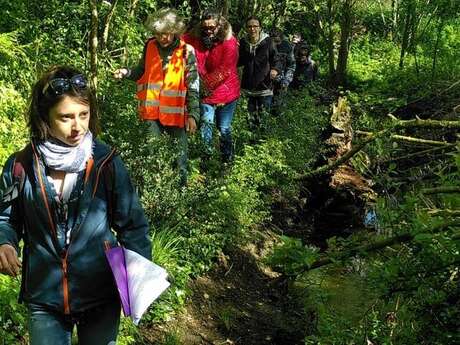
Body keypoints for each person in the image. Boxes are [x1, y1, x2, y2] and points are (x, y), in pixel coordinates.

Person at [0, 65, 152, 345]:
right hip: (45, 297)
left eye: (84, 115)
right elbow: (5, 218)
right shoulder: (20, 166)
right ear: (45, 117)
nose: (77, 127)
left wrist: (138, 281)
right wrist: (5, 242)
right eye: (66, 117)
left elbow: (133, 224)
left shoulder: (106, 163)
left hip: (101, 295)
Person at [113, 8, 200, 186]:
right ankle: (153, 192)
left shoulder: (187, 51)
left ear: (175, 30)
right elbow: (141, 72)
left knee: (179, 159)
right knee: (152, 156)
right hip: (151, 113)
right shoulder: (150, 45)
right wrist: (126, 72)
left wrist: (193, 115)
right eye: (159, 34)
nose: (163, 38)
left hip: (177, 115)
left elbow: (193, 84)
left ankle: (180, 195)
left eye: (167, 34)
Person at [182, 10, 240, 164]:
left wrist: (201, 88)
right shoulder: (195, 37)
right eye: (205, 27)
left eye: (211, 27)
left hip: (226, 92)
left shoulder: (229, 42)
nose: (208, 30)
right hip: (206, 94)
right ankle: (205, 161)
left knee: (224, 128)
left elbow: (224, 70)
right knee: (206, 127)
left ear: (219, 26)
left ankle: (227, 160)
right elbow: (177, 40)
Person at [238, 16, 281, 130]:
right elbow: (238, 60)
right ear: (246, 28)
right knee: (250, 121)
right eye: (250, 26)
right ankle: (251, 144)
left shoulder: (268, 42)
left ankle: (263, 143)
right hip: (248, 89)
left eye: (255, 26)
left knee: (263, 121)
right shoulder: (243, 42)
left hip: (265, 88)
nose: (252, 29)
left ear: (260, 28)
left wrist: (275, 69)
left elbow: (276, 59)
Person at [269, 28, 296, 115]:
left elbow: (291, 65)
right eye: (273, 40)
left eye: (277, 41)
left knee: (278, 109)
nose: (275, 43)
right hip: (265, 82)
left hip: (281, 82)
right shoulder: (265, 45)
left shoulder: (287, 46)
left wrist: (286, 80)